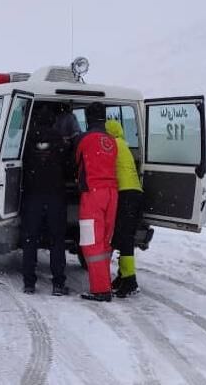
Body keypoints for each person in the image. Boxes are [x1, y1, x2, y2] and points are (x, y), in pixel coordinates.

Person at [20, 103, 75, 296]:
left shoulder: (27, 139)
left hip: (32, 195)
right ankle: (58, 284)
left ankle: (29, 283)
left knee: (30, 239)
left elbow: (20, 164)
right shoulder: (59, 139)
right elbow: (69, 167)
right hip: (55, 196)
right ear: (53, 122)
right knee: (57, 240)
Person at [75, 102, 118, 302]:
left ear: (88, 118)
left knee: (91, 244)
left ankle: (100, 290)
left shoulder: (84, 139)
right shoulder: (112, 141)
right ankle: (105, 285)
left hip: (93, 195)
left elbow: (74, 162)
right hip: (112, 194)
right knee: (103, 242)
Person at [106, 120, 143, 298]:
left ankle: (130, 281)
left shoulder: (112, 145)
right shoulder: (124, 145)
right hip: (135, 193)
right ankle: (123, 276)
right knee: (123, 237)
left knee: (125, 239)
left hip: (126, 194)